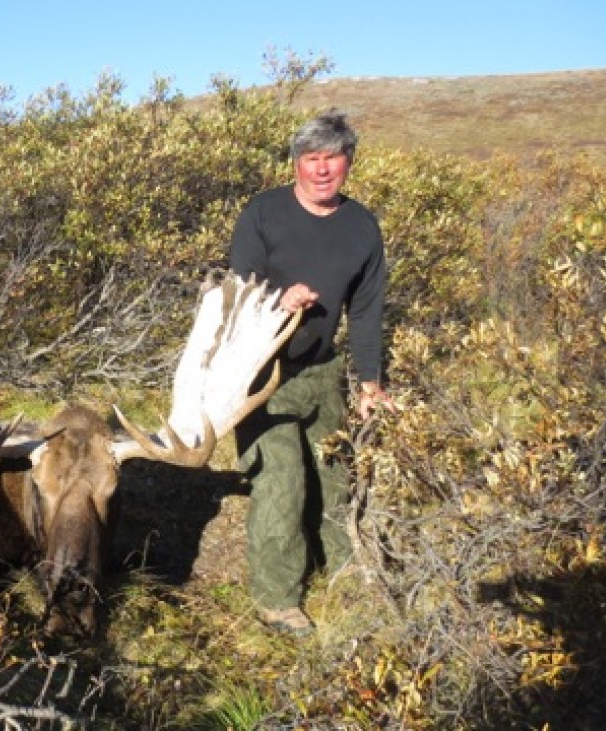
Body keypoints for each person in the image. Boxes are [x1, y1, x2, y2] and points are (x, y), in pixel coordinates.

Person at [228, 110, 394, 636]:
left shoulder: (362, 226)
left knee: (333, 478)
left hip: (324, 371)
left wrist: (369, 382)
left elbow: (365, 312)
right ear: (296, 163)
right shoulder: (263, 212)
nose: (322, 169)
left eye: (333, 158)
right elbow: (238, 288)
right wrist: (279, 300)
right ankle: (278, 600)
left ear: (349, 162)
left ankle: (341, 577)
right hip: (261, 373)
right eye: (311, 158)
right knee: (282, 483)